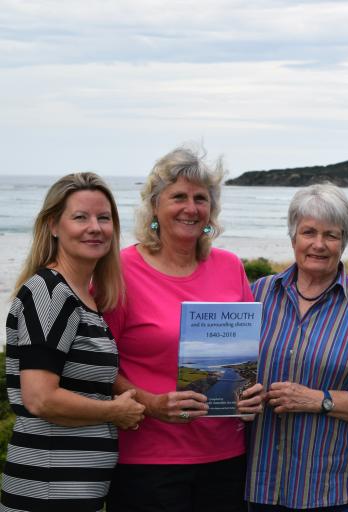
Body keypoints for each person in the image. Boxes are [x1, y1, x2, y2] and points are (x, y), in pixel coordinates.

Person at [103, 146, 254, 512]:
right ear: (155, 206)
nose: (191, 208)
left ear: (211, 210)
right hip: (148, 461)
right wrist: (151, 404)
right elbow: (98, 367)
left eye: (200, 198)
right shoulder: (120, 271)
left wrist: (252, 392)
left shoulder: (230, 266)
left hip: (225, 456)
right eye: (178, 197)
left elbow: (248, 352)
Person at [237, 183, 348, 511]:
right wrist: (233, 399)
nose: (319, 245)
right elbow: (231, 371)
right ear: (293, 236)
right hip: (260, 483)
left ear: (345, 241)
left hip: (333, 488)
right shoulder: (257, 294)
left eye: (331, 235)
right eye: (309, 232)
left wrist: (317, 400)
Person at [1, 172, 145, 512]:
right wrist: (115, 411)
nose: (95, 227)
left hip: (74, 490)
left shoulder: (85, 297)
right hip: (46, 490)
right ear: (54, 225)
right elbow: (40, 397)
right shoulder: (49, 293)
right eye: (80, 217)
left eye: (104, 218)